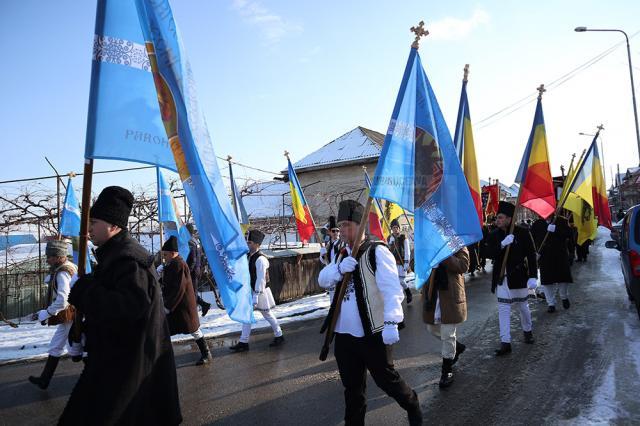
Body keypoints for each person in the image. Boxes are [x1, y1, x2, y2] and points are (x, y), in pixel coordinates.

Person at [60, 186, 181, 425]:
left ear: (113, 226)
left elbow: (126, 308)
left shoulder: (128, 260)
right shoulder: (114, 255)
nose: (88, 228)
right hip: (117, 361)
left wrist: (84, 290)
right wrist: (85, 334)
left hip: (125, 367)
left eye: (94, 222)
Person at [318, 200, 422, 425]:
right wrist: (338, 268)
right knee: (352, 389)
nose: (343, 231)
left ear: (361, 224)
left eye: (347, 225)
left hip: (372, 333)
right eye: (341, 226)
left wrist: (392, 321)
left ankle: (411, 402)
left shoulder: (377, 252)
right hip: (344, 335)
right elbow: (322, 280)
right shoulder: (340, 253)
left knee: (387, 381)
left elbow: (392, 289)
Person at [483, 201, 538, 356]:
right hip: (502, 279)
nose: (497, 221)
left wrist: (533, 276)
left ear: (509, 218)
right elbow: (487, 253)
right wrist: (501, 245)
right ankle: (505, 342)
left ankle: (528, 330)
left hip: (519, 277)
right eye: (497, 218)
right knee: (503, 310)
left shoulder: (523, 232)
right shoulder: (495, 234)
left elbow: (531, 255)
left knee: (523, 308)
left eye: (500, 218)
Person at [28, 240, 82, 390]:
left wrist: (47, 313)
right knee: (60, 345)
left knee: (75, 347)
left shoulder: (62, 272)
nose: (47, 259)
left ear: (58, 256)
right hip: (72, 313)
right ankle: (44, 380)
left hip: (69, 314)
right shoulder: (69, 267)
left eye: (50, 256)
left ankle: (94, 378)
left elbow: (63, 299)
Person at [422, 248, 469, 388]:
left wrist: (444, 257)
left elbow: (463, 265)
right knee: (431, 328)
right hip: (432, 294)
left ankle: (446, 371)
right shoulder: (427, 242)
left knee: (448, 333)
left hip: (450, 294)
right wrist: (428, 262)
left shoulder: (456, 242)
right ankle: (456, 347)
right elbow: (414, 264)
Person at [159, 236, 211, 365]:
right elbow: (169, 282)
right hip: (176, 306)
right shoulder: (172, 264)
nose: (164, 257)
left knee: (193, 329)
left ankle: (206, 353)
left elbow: (178, 288)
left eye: (165, 254)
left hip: (182, 305)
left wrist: (167, 306)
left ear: (173, 253)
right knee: (164, 330)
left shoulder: (179, 265)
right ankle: (162, 358)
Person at [229, 230, 284, 352]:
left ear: (256, 244)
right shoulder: (249, 256)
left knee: (267, 314)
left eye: (250, 242)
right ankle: (244, 342)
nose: (247, 244)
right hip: (250, 291)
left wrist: (256, 295)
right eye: (247, 242)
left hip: (260, 291)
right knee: (247, 316)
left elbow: (261, 279)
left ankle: (279, 335)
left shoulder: (261, 259)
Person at [536, 216, 573, 312]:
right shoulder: (537, 224)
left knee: (562, 279)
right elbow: (533, 239)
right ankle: (551, 303)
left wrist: (556, 229)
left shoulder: (561, 221)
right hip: (545, 256)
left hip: (559, 255)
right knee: (547, 281)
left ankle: (564, 297)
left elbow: (569, 234)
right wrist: (535, 252)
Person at [186, 224, 210, 317]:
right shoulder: (196, 241)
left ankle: (197, 310)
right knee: (191, 291)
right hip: (198, 269)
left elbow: (193, 259)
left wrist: (188, 271)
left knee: (191, 292)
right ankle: (203, 305)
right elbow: (202, 257)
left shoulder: (190, 242)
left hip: (192, 271)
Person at [387, 219, 413, 304]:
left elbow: (407, 251)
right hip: (393, 263)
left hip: (402, 263)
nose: (395, 229)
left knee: (401, 281)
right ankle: (398, 298)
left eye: (396, 227)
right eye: (393, 228)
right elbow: (388, 252)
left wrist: (406, 262)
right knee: (395, 281)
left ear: (399, 228)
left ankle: (408, 293)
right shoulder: (390, 238)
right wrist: (390, 244)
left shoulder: (403, 238)